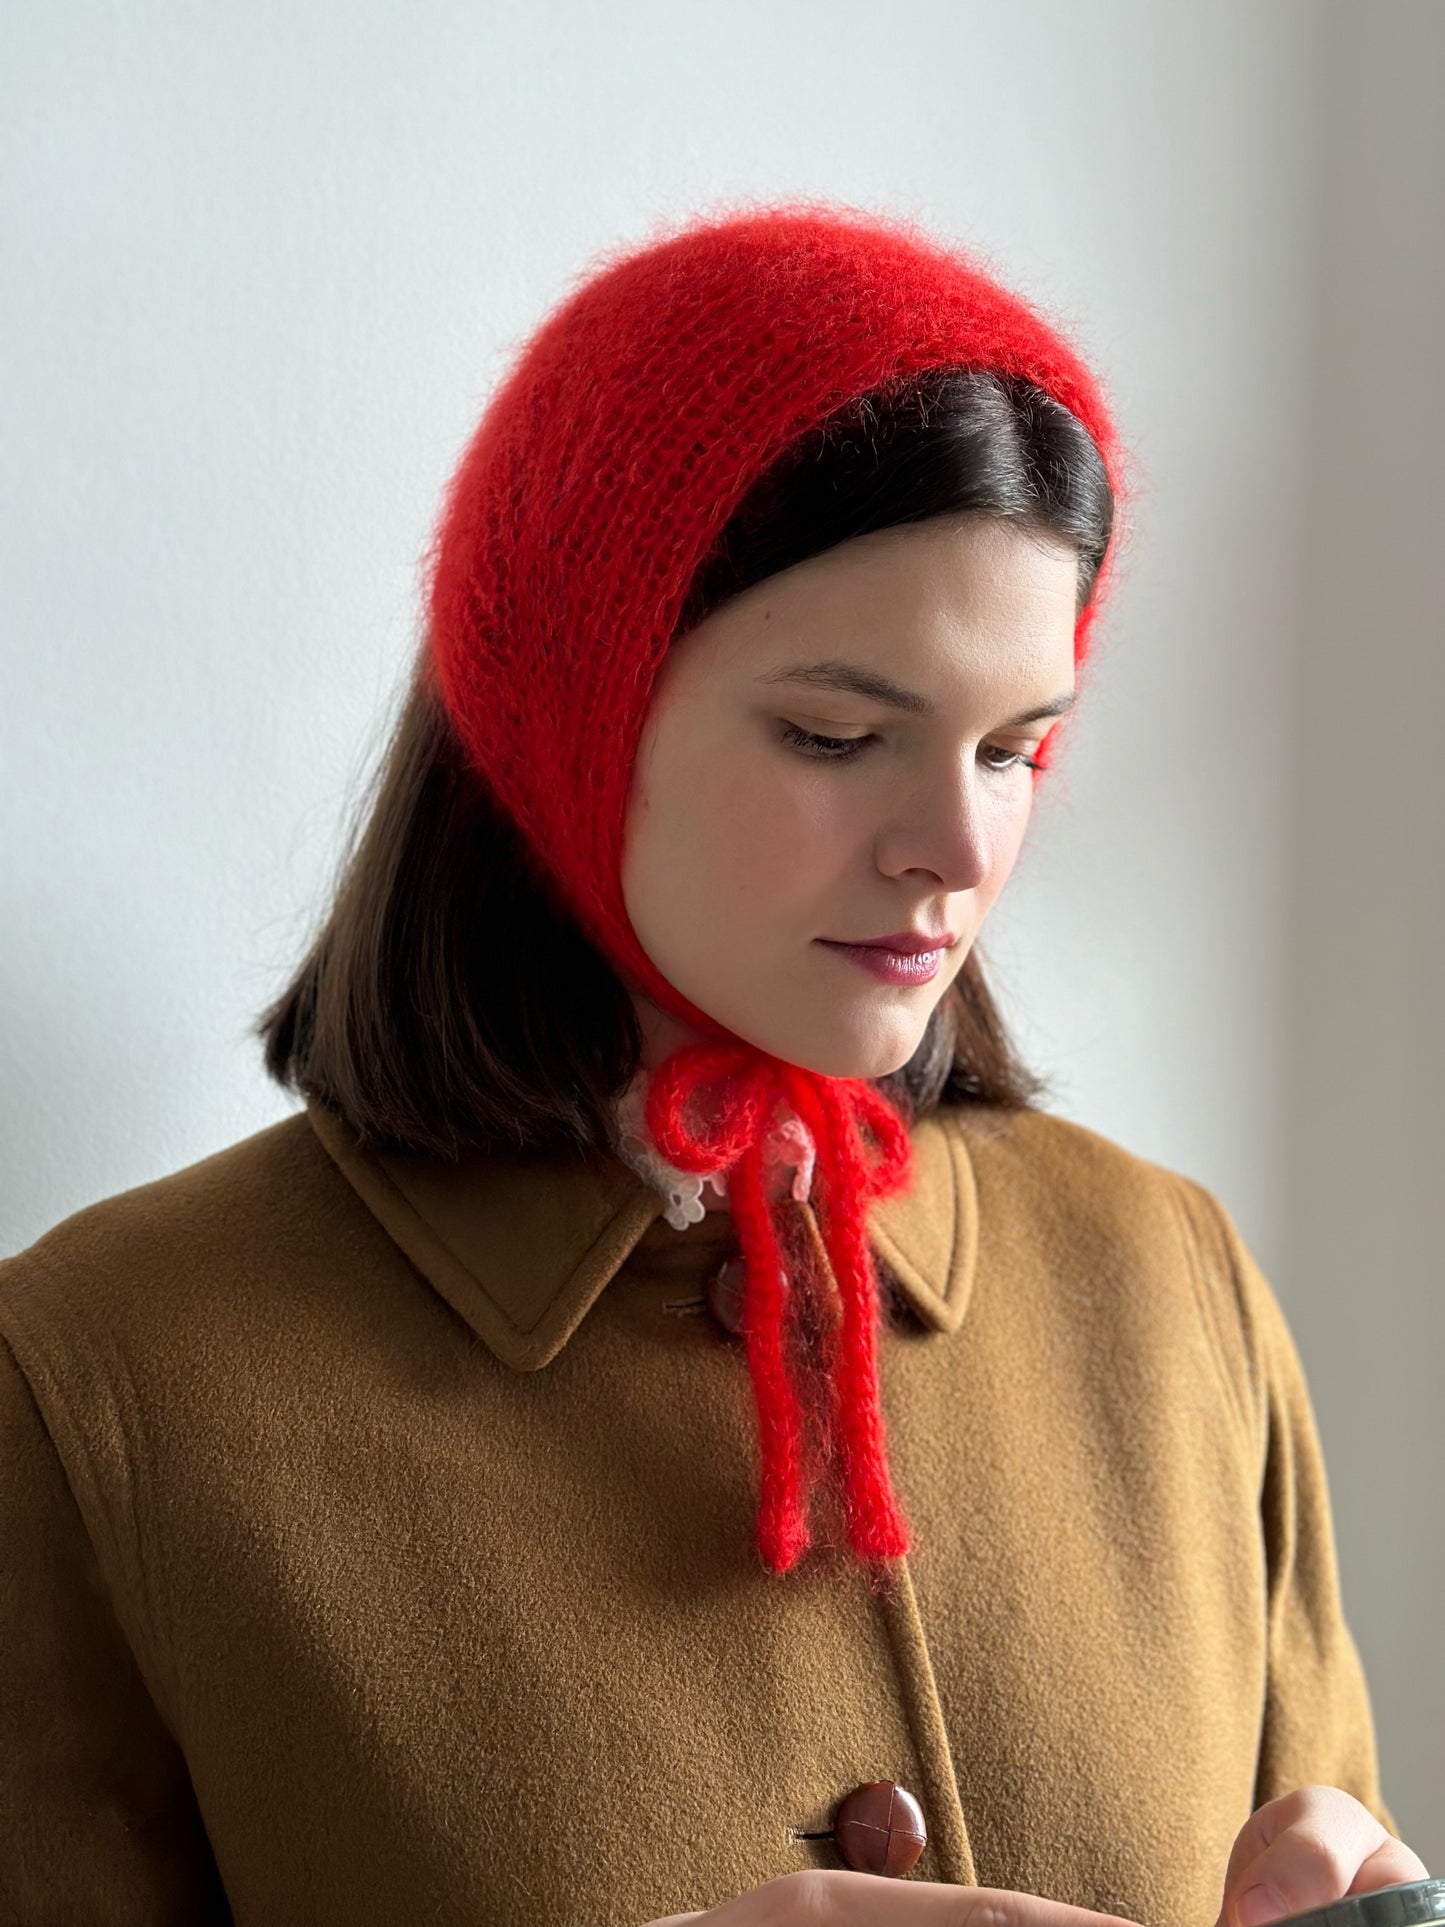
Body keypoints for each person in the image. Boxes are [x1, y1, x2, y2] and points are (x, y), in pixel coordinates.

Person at [0, 202, 1426, 1926]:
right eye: (838, 736)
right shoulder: (103, 1385)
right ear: (570, 708)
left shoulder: (1171, 1288)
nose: (954, 849)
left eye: (1013, 748)